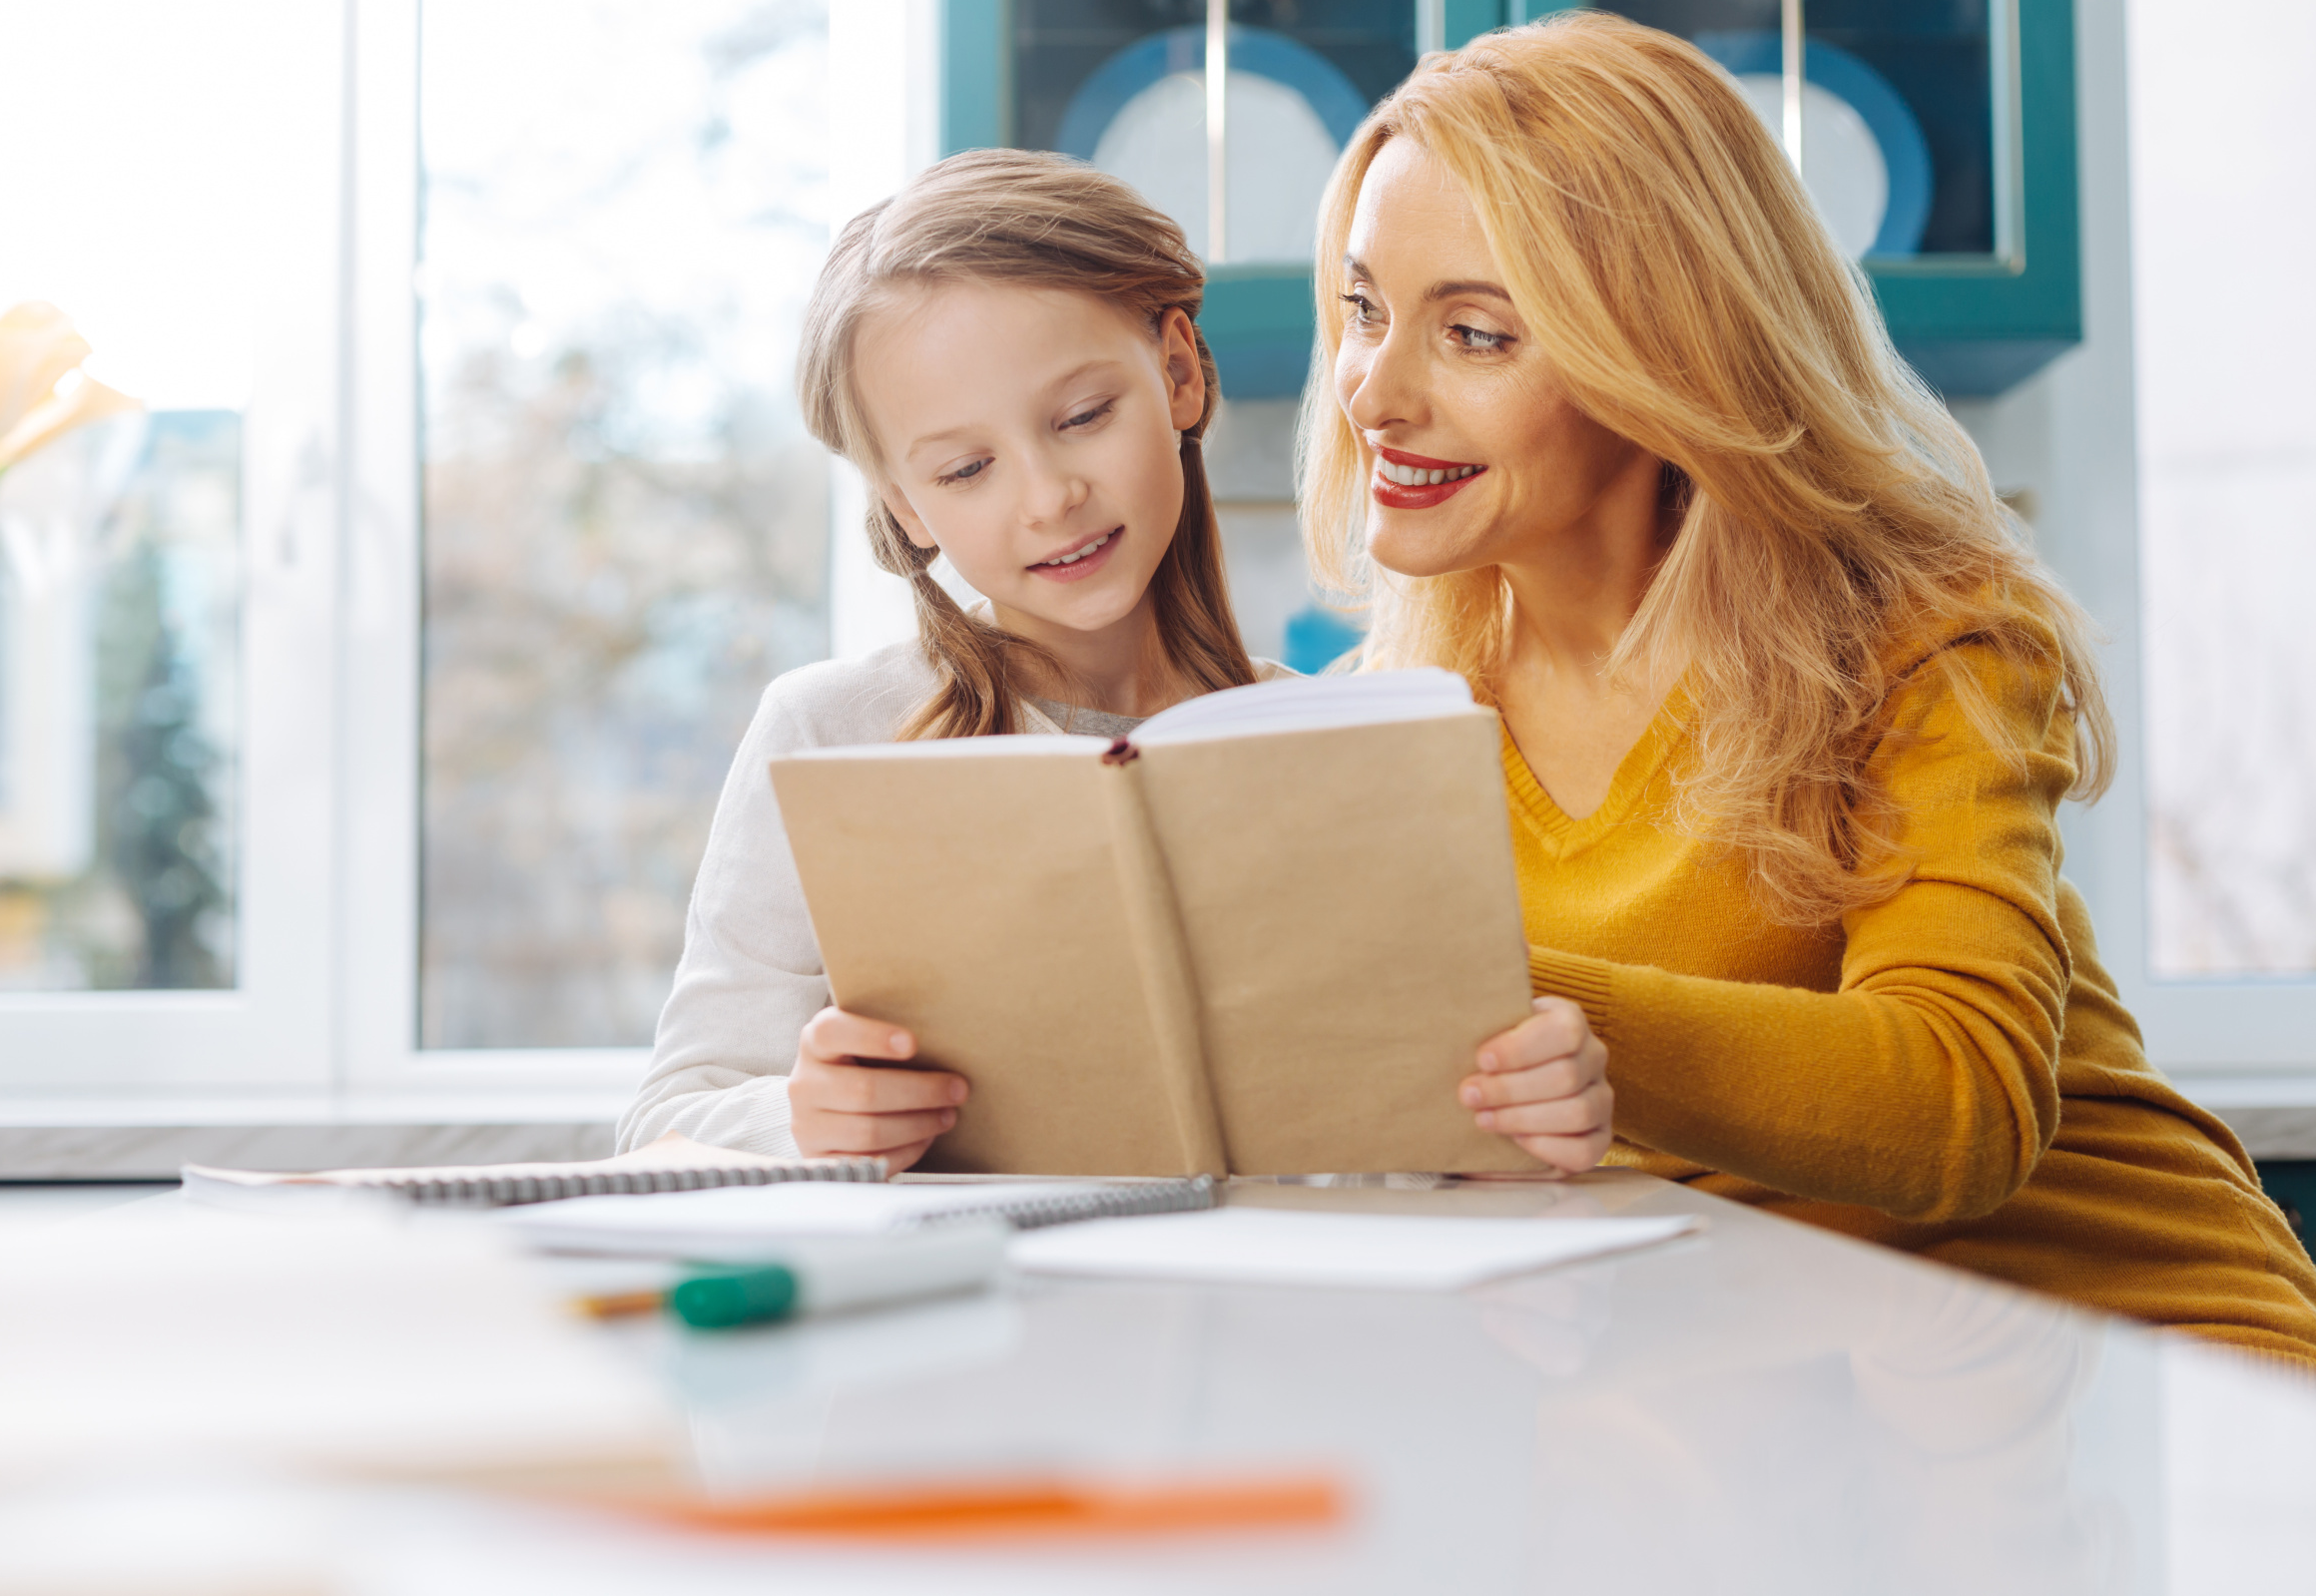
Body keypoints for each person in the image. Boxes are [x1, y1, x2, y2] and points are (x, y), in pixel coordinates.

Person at [1300, 13, 2316, 1380]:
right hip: (1778, 1383)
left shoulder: (1926, 638)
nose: (1375, 390)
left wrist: (1490, 997)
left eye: (1475, 334)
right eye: (1364, 309)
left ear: (1660, 352)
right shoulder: (1376, 726)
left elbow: (1955, 1102)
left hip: (2129, 1352)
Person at [619, 150, 1616, 1178]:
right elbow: (666, 1117)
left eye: (1082, 417)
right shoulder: (828, 733)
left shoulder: (1333, 741)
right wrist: (806, 1118)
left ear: (1177, 373)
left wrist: (1530, 1106)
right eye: (966, 468)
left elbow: (1421, 1132)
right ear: (908, 508)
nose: (1049, 496)